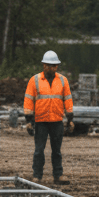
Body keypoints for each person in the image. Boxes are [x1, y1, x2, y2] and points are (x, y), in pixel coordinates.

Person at [24, 50, 73, 184]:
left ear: (57, 66)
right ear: (43, 65)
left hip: (57, 121)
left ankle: (58, 175)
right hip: (40, 121)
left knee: (57, 151)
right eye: (49, 65)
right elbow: (28, 101)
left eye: (54, 65)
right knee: (39, 151)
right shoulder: (34, 80)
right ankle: (37, 176)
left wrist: (70, 119)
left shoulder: (63, 80)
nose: (51, 68)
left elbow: (68, 100)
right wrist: (29, 121)